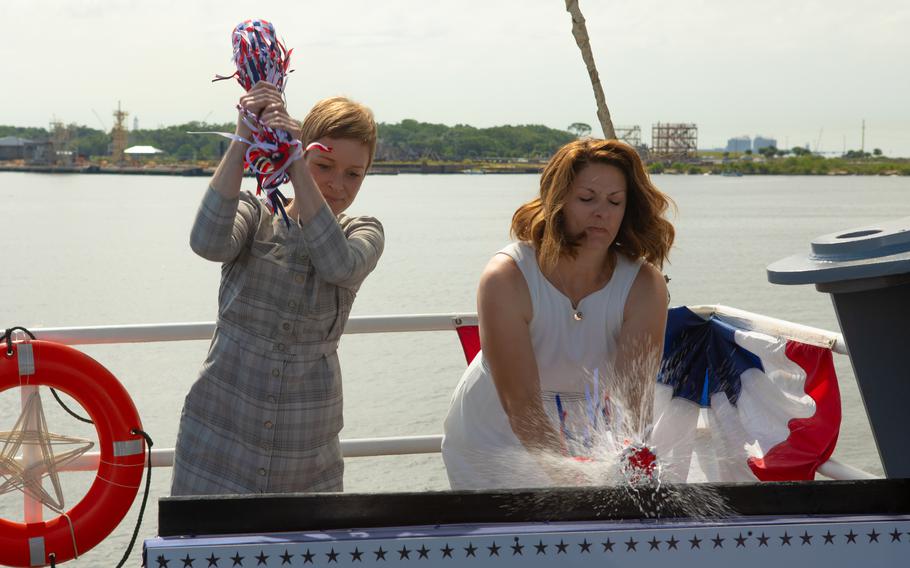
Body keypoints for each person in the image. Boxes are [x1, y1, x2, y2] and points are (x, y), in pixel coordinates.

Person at [171, 83, 384, 495]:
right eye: (325, 166)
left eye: (354, 174)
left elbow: (337, 263)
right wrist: (242, 140)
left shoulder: (364, 232)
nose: (338, 184)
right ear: (303, 150)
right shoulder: (255, 213)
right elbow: (207, 243)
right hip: (216, 443)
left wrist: (299, 168)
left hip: (306, 458)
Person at [442, 138, 674, 489]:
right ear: (556, 201)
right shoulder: (506, 278)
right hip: (491, 439)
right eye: (586, 199)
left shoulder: (644, 286)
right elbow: (521, 406)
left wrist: (624, 466)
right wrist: (574, 480)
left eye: (615, 202)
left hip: (587, 437)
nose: (602, 212)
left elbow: (633, 407)